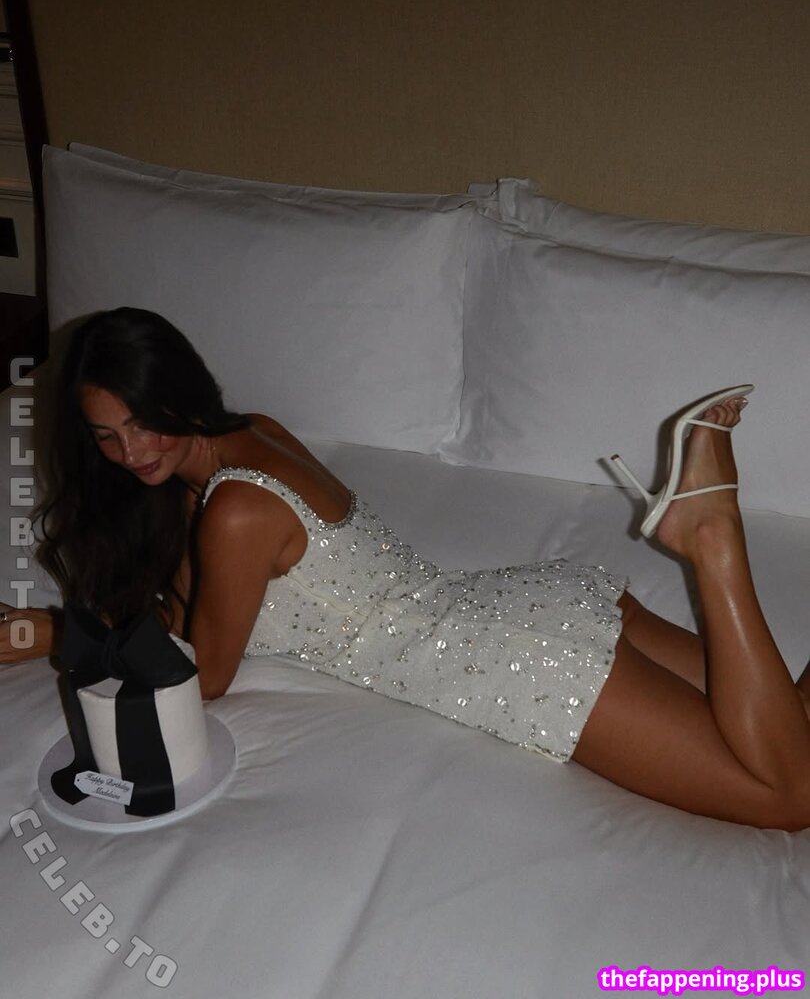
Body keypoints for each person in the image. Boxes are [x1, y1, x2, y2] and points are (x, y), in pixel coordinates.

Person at [2, 307, 810, 831]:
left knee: (788, 795)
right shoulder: (254, 437)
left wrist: (58, 634)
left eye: (142, 423)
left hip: (521, 667)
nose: (130, 451)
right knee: (789, 732)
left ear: (177, 394)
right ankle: (708, 529)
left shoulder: (235, 512)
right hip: (521, 607)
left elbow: (203, 677)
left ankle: (712, 537)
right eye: (107, 436)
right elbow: (190, 609)